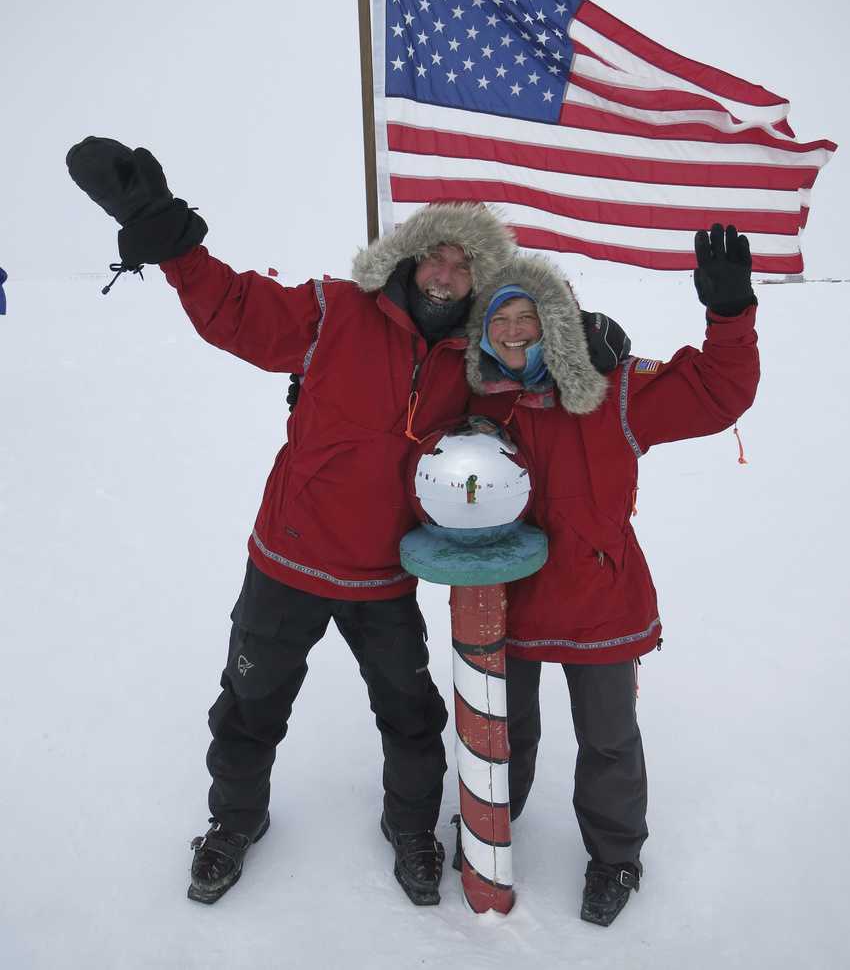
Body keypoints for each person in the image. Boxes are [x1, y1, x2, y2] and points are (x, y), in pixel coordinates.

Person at [65, 135, 628, 909]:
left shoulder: (477, 364)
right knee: (250, 702)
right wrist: (168, 235)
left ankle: (410, 830)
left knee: (410, 714)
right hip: (288, 558)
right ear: (409, 255)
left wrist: (581, 344)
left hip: (383, 572)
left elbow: (540, 392)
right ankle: (234, 821)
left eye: (466, 266)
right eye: (436, 255)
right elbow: (238, 312)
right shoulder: (334, 310)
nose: (447, 273)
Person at [462, 224, 759, 926]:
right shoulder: (476, 399)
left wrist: (729, 313)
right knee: (506, 732)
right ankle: (488, 830)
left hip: (601, 602)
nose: (512, 331)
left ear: (557, 321)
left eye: (527, 317)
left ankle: (616, 854)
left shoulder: (617, 390)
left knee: (609, 740)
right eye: (500, 318)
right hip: (506, 603)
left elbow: (720, 393)